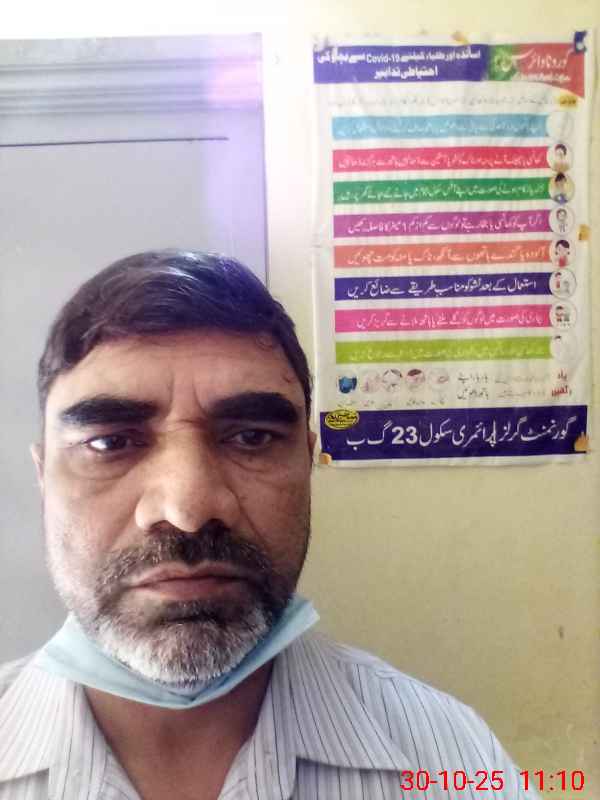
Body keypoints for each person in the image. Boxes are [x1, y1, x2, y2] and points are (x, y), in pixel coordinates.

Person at [0, 250, 539, 799]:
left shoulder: (456, 762)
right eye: (110, 443)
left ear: (307, 462)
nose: (188, 511)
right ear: (44, 477)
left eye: (252, 437)